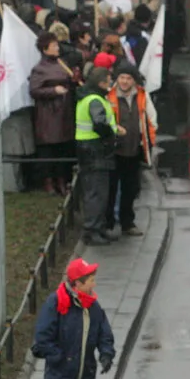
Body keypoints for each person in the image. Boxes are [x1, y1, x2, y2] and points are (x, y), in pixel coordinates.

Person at [31, 258, 115, 379]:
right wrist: (59, 358)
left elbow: (104, 333)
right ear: (78, 283)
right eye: (91, 280)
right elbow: (42, 337)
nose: (94, 284)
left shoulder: (93, 306)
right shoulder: (56, 303)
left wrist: (106, 354)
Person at [106, 62, 157, 237]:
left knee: (130, 189)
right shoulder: (109, 96)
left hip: (134, 150)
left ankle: (127, 223)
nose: (125, 81)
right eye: (122, 77)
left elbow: (151, 119)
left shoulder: (142, 96)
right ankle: (108, 224)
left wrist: (149, 143)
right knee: (111, 189)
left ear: (134, 80)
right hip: (114, 151)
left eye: (128, 78)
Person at [74, 63, 123, 245]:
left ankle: (98, 227)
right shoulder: (95, 100)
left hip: (89, 149)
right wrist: (111, 136)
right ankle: (92, 230)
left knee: (99, 191)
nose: (110, 85)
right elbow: (100, 123)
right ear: (101, 83)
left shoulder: (88, 97)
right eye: (108, 81)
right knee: (96, 192)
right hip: (95, 150)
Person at [28, 32, 77, 196]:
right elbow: (34, 90)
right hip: (48, 115)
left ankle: (61, 180)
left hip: (64, 113)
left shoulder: (62, 64)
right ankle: (48, 181)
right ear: (45, 49)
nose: (57, 48)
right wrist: (53, 91)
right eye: (54, 45)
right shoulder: (39, 69)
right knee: (48, 150)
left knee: (63, 149)